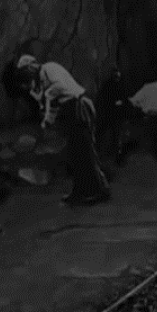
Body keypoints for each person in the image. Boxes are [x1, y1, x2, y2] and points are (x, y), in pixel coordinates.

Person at [16, 55, 111, 205]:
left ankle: (99, 191)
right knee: (74, 155)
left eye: (27, 70)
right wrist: (47, 122)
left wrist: (46, 98)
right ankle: (80, 191)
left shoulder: (50, 68)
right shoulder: (38, 82)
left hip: (78, 107)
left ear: (32, 65)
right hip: (67, 114)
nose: (27, 74)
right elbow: (50, 106)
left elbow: (59, 87)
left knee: (86, 151)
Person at [95, 67, 129, 165]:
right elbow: (104, 98)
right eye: (116, 75)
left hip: (113, 114)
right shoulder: (110, 85)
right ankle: (105, 154)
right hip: (110, 113)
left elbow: (123, 98)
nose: (117, 77)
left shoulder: (116, 84)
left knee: (115, 135)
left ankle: (115, 157)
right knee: (110, 134)